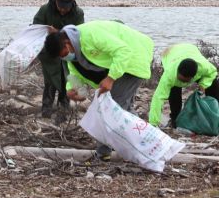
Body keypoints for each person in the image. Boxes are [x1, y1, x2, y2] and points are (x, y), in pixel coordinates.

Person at [42, 20, 153, 160]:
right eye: (61, 57)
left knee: (111, 110)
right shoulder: (72, 53)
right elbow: (74, 73)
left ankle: (107, 153)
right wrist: (73, 89)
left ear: (67, 43)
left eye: (63, 54)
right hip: (120, 65)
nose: (64, 57)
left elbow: (123, 51)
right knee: (123, 110)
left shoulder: (90, 35)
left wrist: (111, 78)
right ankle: (148, 146)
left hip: (133, 60)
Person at [32, 0, 85, 116]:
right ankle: (46, 108)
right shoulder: (45, 9)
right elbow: (35, 28)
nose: (62, 10)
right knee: (50, 79)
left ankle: (64, 108)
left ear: (72, 3)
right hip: (49, 51)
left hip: (68, 50)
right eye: (60, 6)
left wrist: (59, 32)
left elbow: (78, 33)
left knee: (66, 77)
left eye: (66, 8)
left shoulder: (78, 13)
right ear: (56, 0)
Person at [148, 43, 219, 128]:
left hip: (190, 49)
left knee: (213, 83)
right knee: (174, 89)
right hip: (170, 53)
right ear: (178, 72)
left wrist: (203, 85)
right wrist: (153, 123)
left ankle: (218, 113)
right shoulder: (169, 75)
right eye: (181, 80)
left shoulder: (203, 67)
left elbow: (212, 73)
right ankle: (175, 119)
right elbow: (158, 98)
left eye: (185, 81)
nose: (183, 83)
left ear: (194, 76)